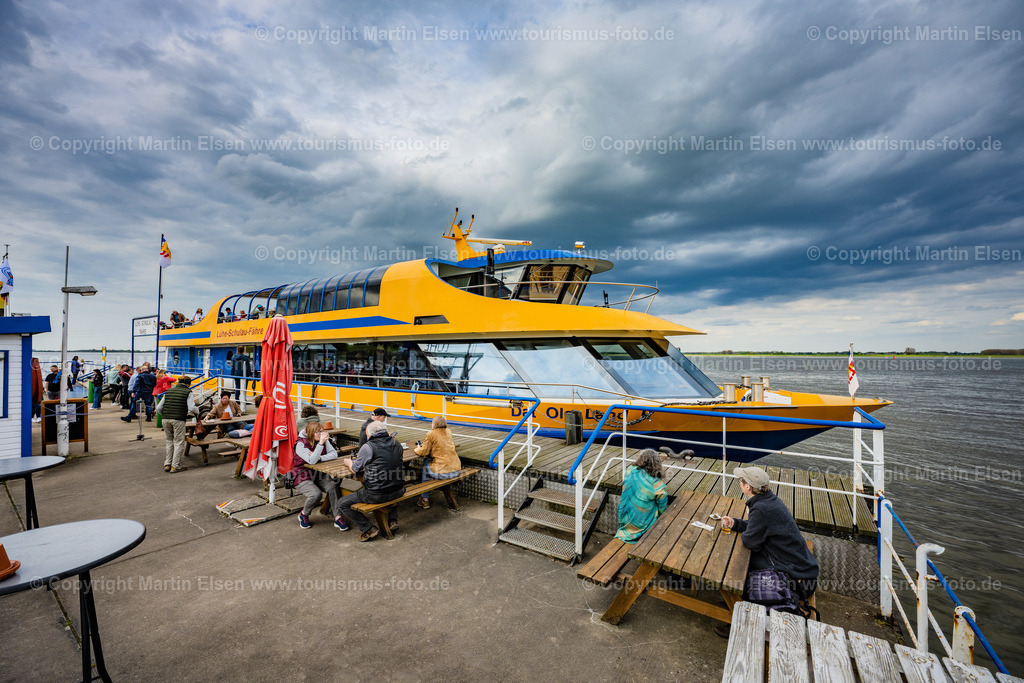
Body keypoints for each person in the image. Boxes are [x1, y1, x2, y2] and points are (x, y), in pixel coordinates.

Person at [718, 466, 819, 636]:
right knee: (745, 563)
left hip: (798, 578)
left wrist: (748, 533)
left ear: (747, 487)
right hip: (803, 568)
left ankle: (742, 620)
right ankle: (733, 601)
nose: (739, 483)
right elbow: (758, 529)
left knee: (739, 566)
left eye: (740, 481)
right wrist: (736, 523)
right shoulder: (769, 500)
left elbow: (750, 541)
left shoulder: (761, 508)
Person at [336, 421, 407, 542]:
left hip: (377, 494)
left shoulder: (368, 447)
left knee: (342, 503)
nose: (366, 437)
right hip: (399, 490)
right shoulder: (396, 442)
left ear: (371, 434)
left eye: (367, 434)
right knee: (391, 482)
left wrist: (348, 463)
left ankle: (368, 528)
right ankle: (392, 520)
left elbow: (355, 468)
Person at [293, 422, 349, 531]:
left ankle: (337, 517)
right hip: (302, 475)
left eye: (322, 431)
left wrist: (321, 458)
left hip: (320, 474)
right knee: (315, 494)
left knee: (333, 486)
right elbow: (312, 461)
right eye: (318, 432)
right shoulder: (300, 444)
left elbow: (334, 454)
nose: (321, 434)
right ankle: (304, 514)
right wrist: (320, 444)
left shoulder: (323, 439)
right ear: (310, 433)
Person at [615, 449, 667, 542]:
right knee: (655, 506)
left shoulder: (630, 470)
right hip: (640, 522)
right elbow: (662, 503)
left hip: (624, 515)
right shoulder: (655, 479)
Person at [413, 416, 461, 509]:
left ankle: (425, 499)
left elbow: (423, 452)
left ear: (434, 424)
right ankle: (426, 493)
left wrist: (418, 448)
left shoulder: (431, 434)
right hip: (456, 469)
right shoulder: (448, 431)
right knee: (430, 463)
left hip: (444, 473)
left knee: (426, 463)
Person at [156, 376, 200, 473]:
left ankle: (167, 463)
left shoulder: (168, 391)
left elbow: (159, 407)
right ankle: (175, 465)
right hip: (178, 419)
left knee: (169, 441)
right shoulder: (188, 392)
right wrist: (198, 412)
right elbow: (192, 408)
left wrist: (165, 415)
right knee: (179, 442)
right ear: (188, 384)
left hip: (165, 419)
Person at [30, 358, 43, 422]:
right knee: (33, 405)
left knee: (37, 405)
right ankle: (32, 416)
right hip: (33, 392)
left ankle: (38, 416)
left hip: (36, 393)